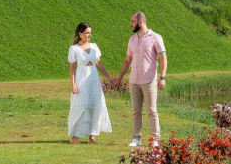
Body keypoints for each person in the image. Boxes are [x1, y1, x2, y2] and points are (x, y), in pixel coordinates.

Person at [113, 12, 167, 147]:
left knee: (151, 110)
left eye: (132, 21)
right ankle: (136, 138)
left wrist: (162, 77)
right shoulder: (132, 40)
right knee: (136, 110)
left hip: (149, 80)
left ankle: (156, 139)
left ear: (140, 22)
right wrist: (119, 78)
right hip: (134, 80)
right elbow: (127, 60)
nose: (131, 24)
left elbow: (163, 58)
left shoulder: (155, 38)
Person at [68, 23, 113, 144]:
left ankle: (92, 135)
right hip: (81, 79)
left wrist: (109, 78)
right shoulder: (74, 49)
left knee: (94, 105)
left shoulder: (94, 46)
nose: (89, 35)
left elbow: (98, 63)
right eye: (87, 32)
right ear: (80, 33)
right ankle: (75, 136)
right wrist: (73, 84)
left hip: (94, 78)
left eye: (90, 32)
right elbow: (72, 68)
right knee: (81, 105)